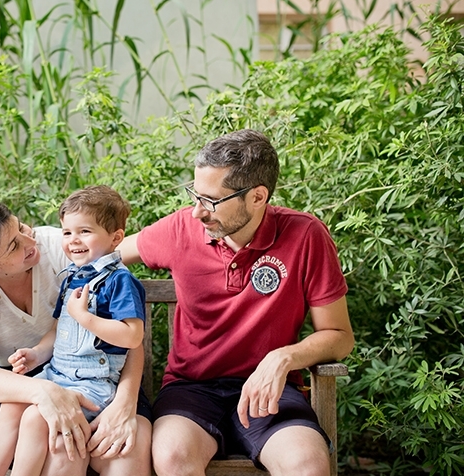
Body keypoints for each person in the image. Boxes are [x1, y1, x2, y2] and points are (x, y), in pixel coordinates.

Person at [119, 129, 355, 476]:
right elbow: (106, 254)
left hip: (271, 391)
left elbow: (339, 335)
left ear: (258, 197)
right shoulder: (181, 229)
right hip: (191, 390)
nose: (197, 212)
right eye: (195, 195)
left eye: (211, 201)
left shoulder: (306, 235)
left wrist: (283, 358)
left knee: (308, 466)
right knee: (172, 456)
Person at [0, 199, 152, 476]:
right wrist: (44, 392)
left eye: (21, 227)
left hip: (102, 375)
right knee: (58, 450)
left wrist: (125, 403)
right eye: (13, 245)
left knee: (117, 455)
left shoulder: (64, 249)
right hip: (22, 382)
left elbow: (131, 338)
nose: (29, 241)